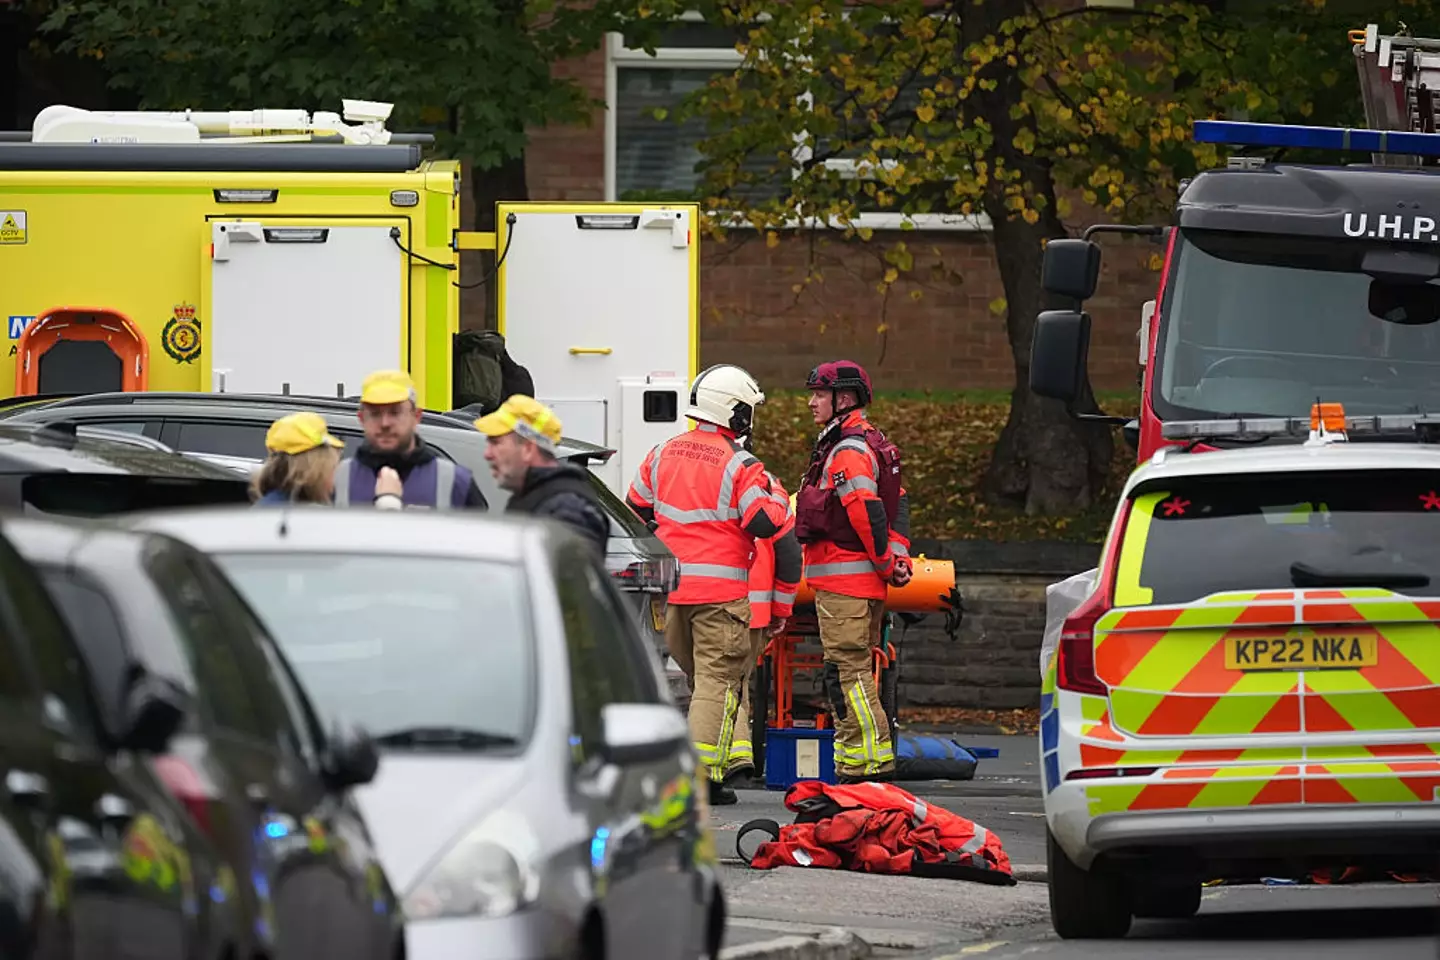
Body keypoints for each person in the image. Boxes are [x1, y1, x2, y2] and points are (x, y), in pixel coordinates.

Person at [625, 364, 796, 806]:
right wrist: (778, 494)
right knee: (716, 683)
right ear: (735, 414)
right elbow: (763, 520)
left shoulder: (662, 452)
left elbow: (636, 509)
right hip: (720, 599)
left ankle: (712, 769)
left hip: (672, 595)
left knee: (700, 681)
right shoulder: (741, 465)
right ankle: (703, 777)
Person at [794, 361, 911, 784]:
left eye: (818, 395)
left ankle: (860, 766)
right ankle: (869, 762)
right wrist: (896, 560)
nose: (810, 402)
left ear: (844, 399)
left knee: (847, 674)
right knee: (856, 671)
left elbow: (868, 513)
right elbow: (898, 510)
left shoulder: (847, 450)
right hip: (859, 583)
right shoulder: (869, 444)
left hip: (845, 583)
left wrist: (885, 562)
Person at [727, 467, 800, 788]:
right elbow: (788, 552)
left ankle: (734, 755)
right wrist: (781, 608)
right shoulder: (771, 485)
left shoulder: (694, 475)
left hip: (701, 597)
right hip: (754, 609)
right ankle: (737, 756)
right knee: (735, 681)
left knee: (713, 681)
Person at [332, 370, 489, 510]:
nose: (385, 423)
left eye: (395, 413)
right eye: (375, 414)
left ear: (416, 416)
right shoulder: (337, 479)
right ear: (361, 418)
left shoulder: (456, 482)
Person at [475, 394, 609, 557]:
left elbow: (571, 578)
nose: (487, 454)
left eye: (496, 443)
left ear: (528, 449)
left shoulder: (567, 510)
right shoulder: (536, 499)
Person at [255, 412, 406, 509]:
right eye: (333, 465)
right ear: (316, 469)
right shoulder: (302, 519)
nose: (337, 473)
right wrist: (388, 501)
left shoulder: (267, 509)